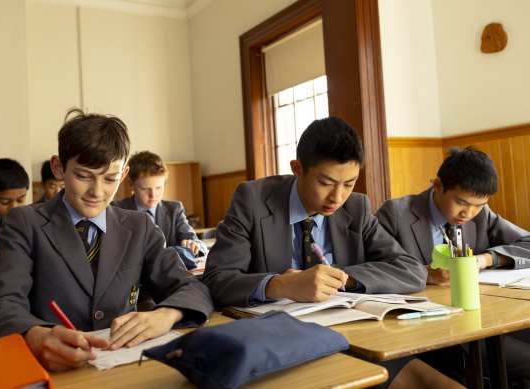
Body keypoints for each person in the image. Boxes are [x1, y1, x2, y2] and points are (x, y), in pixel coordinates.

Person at [201, 116, 462, 389]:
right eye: (326, 183)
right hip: (277, 342)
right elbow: (217, 279)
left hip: (353, 336)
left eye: (349, 183)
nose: (337, 197)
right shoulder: (252, 200)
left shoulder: (356, 207)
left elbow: (409, 270)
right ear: (297, 169)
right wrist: (280, 285)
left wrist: (340, 278)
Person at [0, 108, 213, 372]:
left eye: (110, 179)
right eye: (83, 176)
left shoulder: (140, 226)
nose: (96, 192)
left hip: (126, 367)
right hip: (54, 370)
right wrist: (34, 335)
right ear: (58, 168)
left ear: (123, 176)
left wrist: (166, 314)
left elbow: (193, 288)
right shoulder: (25, 223)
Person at [375, 146, 530, 388]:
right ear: (437, 185)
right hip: (429, 327)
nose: (468, 213)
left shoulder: (480, 213)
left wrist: (485, 259)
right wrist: (424, 274)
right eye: (461, 202)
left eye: (478, 205)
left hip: (483, 317)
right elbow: (375, 269)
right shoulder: (395, 213)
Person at [113, 150, 206, 256]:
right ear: (130, 184)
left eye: (159, 187)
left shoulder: (174, 209)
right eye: (144, 188)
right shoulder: (117, 210)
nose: (153, 195)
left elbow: (197, 242)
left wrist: (193, 245)